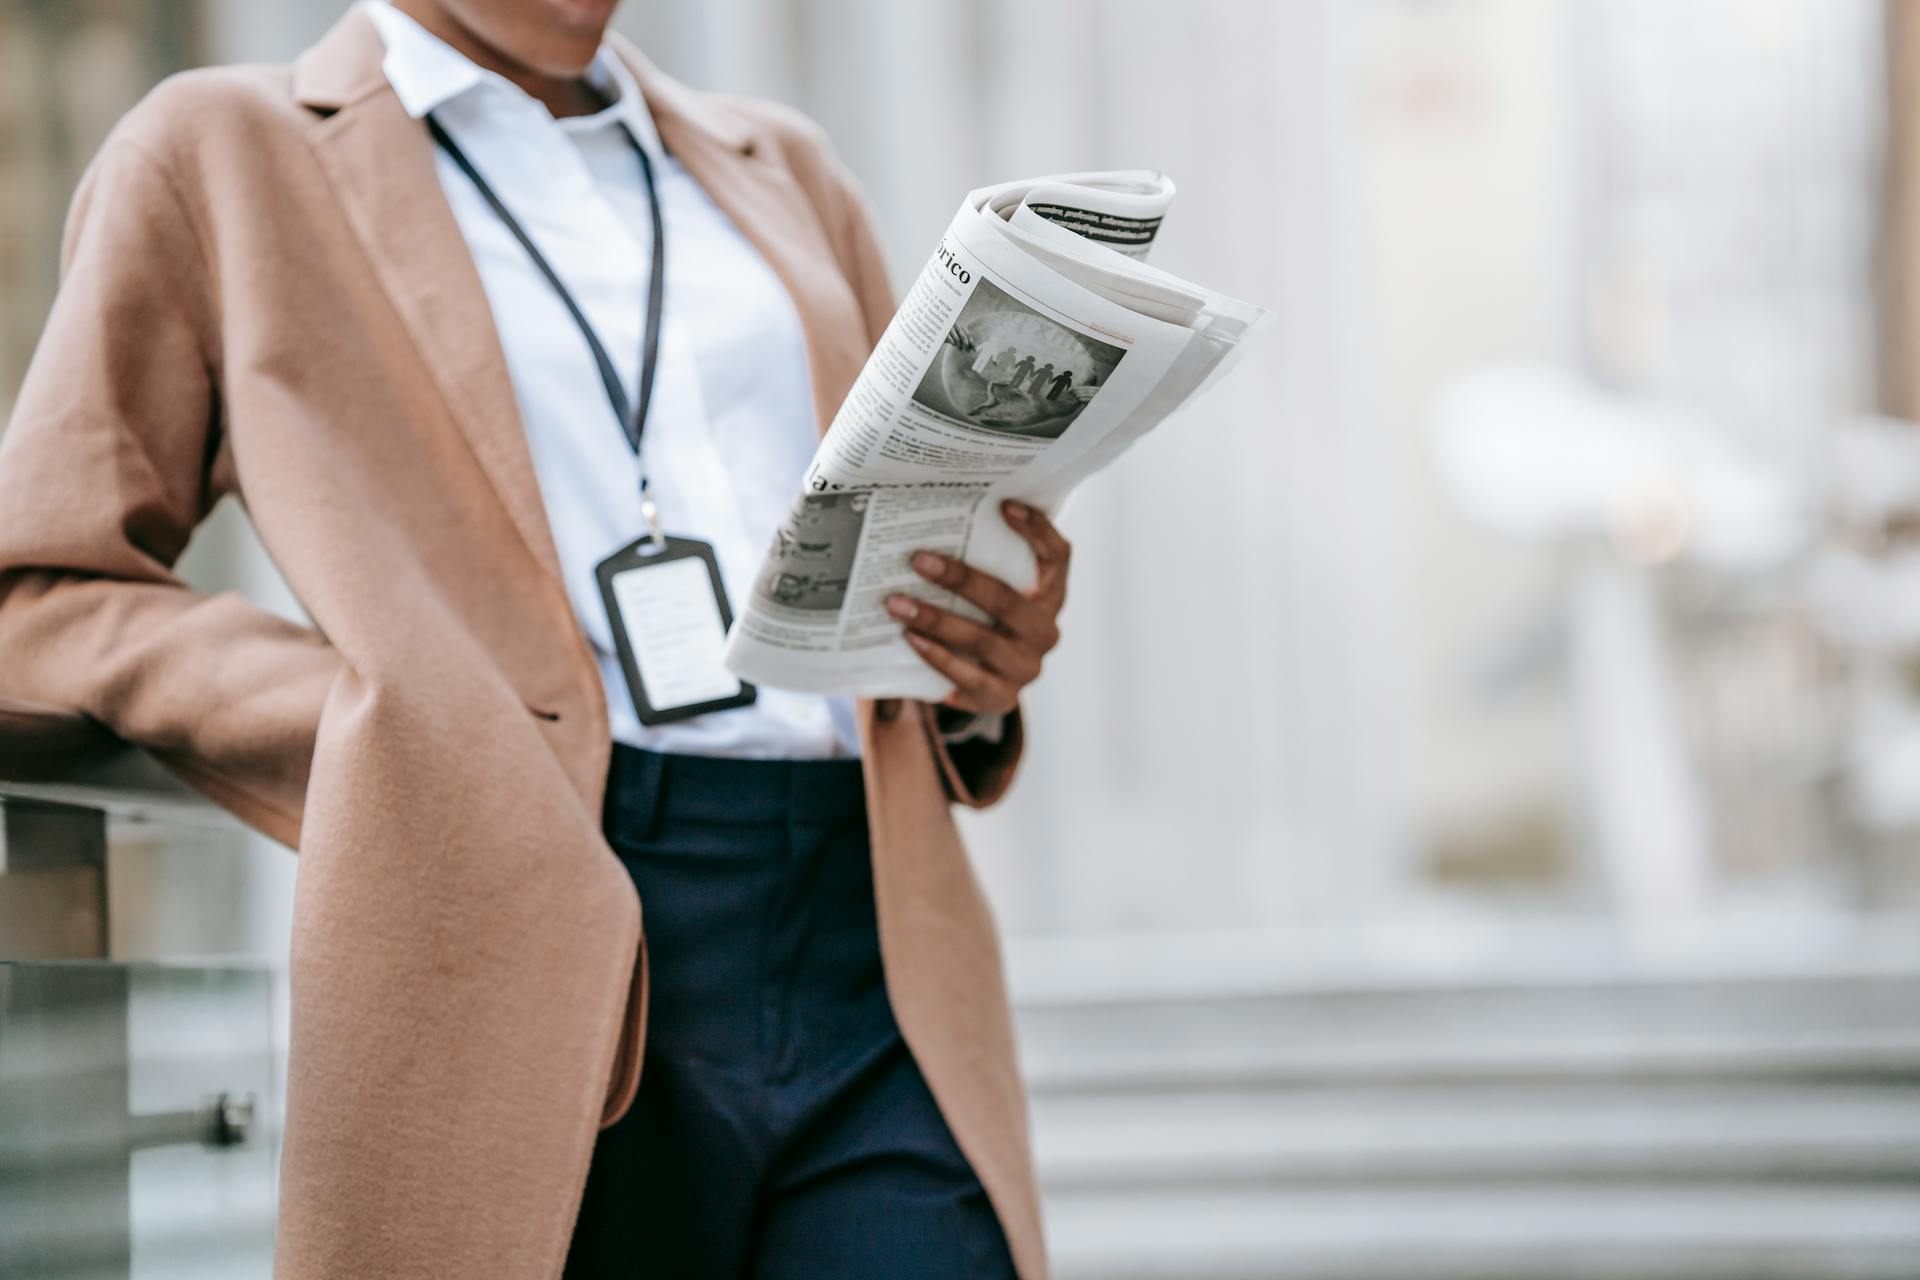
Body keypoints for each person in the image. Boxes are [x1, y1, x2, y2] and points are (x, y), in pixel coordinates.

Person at [0, 2, 1068, 1277]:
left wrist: (977, 669)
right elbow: (40, 596)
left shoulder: (781, 167)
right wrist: (373, 712)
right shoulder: (220, 153)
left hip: (872, 932)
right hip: (515, 911)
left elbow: (887, 551)